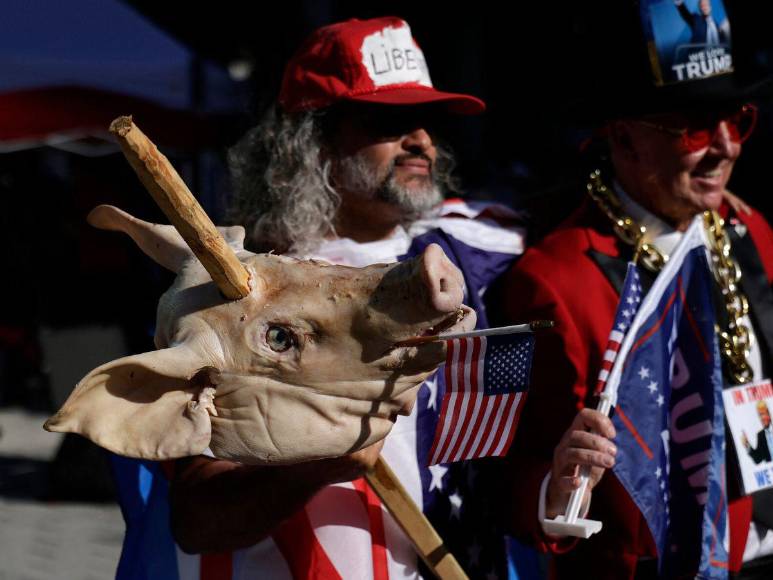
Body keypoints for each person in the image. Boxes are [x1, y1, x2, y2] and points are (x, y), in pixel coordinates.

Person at [111, 17, 529, 579]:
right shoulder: (230, 292)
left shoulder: (481, 262)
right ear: (307, 142)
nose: (421, 140)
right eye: (388, 120)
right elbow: (198, 519)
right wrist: (311, 466)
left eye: (424, 120)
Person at [489, 3, 773, 578]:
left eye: (736, 119)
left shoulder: (751, 230)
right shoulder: (550, 279)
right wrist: (555, 489)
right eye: (694, 127)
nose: (726, 147)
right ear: (622, 137)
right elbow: (503, 482)